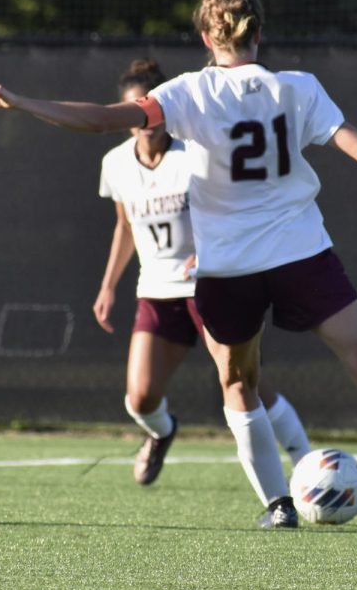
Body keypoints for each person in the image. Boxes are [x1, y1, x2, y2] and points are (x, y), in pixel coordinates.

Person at [0, 0, 357, 529]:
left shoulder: (187, 93)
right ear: (260, 33)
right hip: (302, 256)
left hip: (228, 271)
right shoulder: (298, 88)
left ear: (205, 37)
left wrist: (18, 99)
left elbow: (103, 119)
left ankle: (277, 506)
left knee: (238, 382)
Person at [95, 58, 310, 485]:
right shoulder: (116, 164)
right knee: (139, 399)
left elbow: (233, 206)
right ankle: (162, 432)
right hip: (156, 290)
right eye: (133, 113)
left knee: (248, 384)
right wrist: (108, 287)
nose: (143, 122)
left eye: (148, 110)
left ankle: (304, 461)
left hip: (211, 284)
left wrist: (213, 250)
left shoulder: (193, 154)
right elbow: (124, 226)